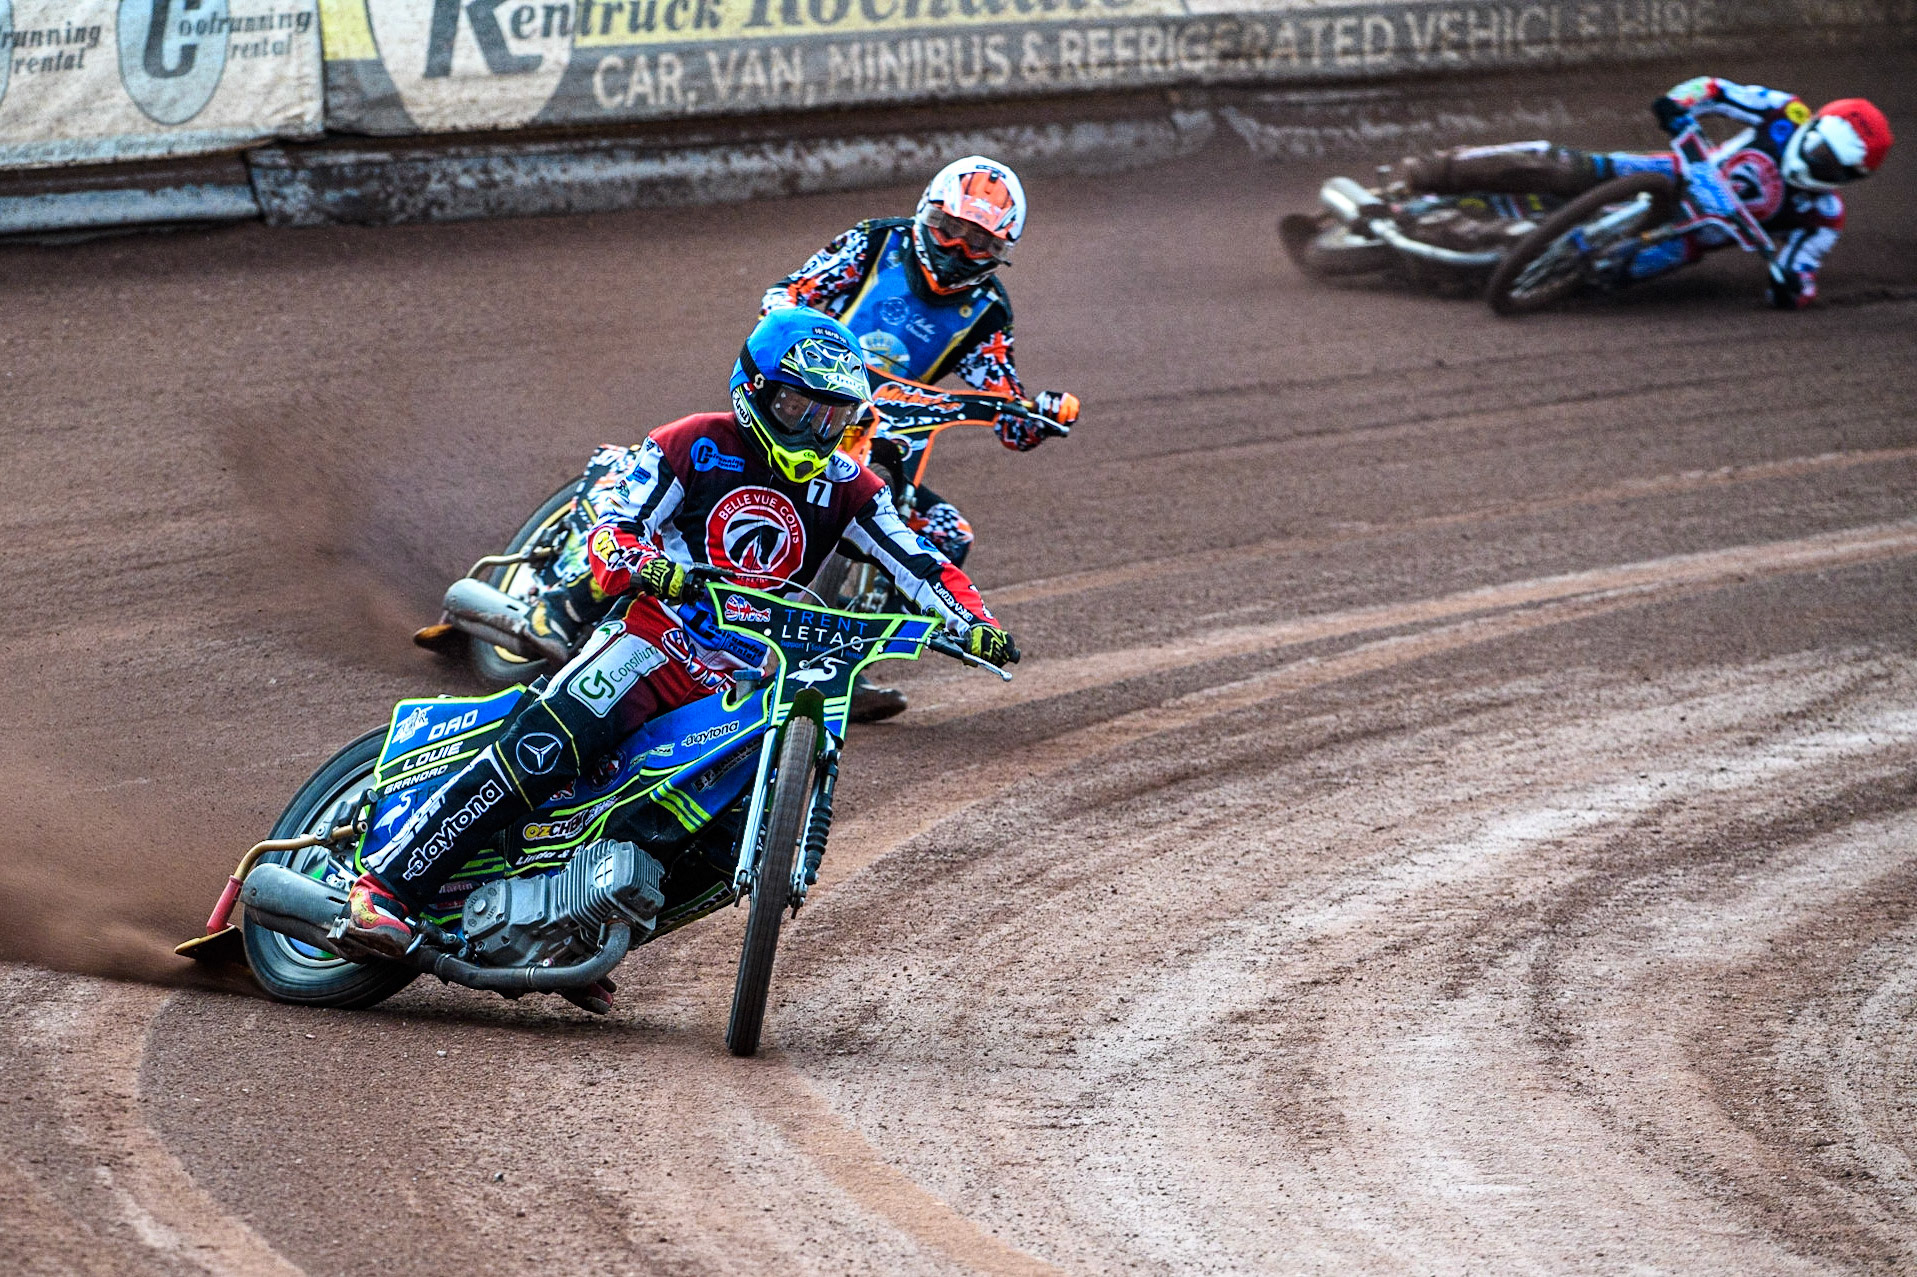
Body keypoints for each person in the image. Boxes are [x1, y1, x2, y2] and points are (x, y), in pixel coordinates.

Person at [346, 309, 1019, 1001]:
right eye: (798, 406)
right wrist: (643, 563)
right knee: (552, 745)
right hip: (651, 641)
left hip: (744, 683)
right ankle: (385, 887)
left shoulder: (848, 485)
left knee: (719, 836)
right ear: (754, 391)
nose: (815, 429)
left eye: (831, 416)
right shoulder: (694, 444)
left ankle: (571, 926)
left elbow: (922, 564)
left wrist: (975, 623)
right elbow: (614, 527)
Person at [761, 155, 1080, 720]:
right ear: (924, 213)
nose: (957, 249)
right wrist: (798, 337)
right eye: (949, 229)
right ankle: (576, 598)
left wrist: (1039, 416)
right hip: (798, 410)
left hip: (885, 437)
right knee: (704, 471)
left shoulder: (986, 310)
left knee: (946, 534)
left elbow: (1006, 403)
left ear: (1000, 252)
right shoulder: (874, 244)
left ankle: (842, 669)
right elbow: (787, 294)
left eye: (978, 243)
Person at [1397, 79, 1892, 307]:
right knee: (1561, 164)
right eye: (1821, 151)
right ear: (1815, 127)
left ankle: (1449, 250)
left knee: (1597, 267)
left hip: (1685, 238)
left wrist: (1789, 287)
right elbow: (1716, 89)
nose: (1819, 166)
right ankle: (1426, 172)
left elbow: (1802, 278)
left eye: (1835, 167)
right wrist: (1680, 105)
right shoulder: (1784, 112)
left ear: (1851, 178)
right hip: (1675, 169)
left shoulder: (1822, 216)